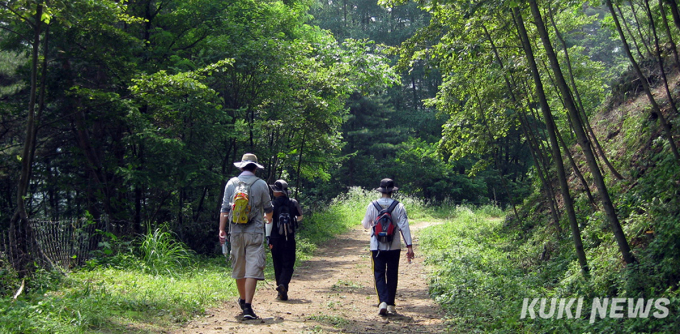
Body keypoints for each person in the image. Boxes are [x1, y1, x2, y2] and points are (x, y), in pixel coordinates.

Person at [219, 153, 273, 320]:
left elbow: (225, 210)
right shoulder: (261, 184)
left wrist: (222, 230)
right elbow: (268, 208)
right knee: (253, 268)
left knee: (239, 267)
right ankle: (248, 306)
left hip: (235, 232)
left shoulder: (231, 183)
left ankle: (242, 300)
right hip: (254, 232)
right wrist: (268, 219)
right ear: (255, 168)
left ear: (241, 166)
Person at [361, 178, 414, 316]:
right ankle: (391, 304)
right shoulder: (399, 206)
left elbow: (366, 225)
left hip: (376, 246)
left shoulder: (372, 205)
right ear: (392, 191)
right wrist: (409, 246)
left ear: (381, 190)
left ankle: (382, 301)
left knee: (378, 273)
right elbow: (405, 227)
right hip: (394, 246)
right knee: (392, 274)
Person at [267, 179, 303, 301]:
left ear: (277, 192)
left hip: (275, 238)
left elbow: (268, 220)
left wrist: (268, 238)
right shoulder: (293, 202)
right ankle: (283, 285)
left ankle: (280, 287)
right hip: (289, 238)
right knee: (288, 263)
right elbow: (300, 216)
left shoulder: (272, 204)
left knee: (277, 263)